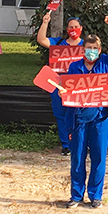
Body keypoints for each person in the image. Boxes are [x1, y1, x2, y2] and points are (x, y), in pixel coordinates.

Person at [63, 15, 108, 209]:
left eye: (94, 49)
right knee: (77, 158)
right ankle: (76, 195)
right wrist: (62, 92)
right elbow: (68, 89)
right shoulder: (74, 67)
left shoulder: (106, 62)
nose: (91, 52)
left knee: (99, 157)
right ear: (83, 50)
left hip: (101, 118)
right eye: (88, 49)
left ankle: (95, 195)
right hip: (79, 118)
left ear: (99, 50)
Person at [37, 11, 85, 155]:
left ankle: (80, 142)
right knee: (61, 114)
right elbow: (41, 40)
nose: (73, 30)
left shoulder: (86, 44)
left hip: (79, 84)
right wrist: (45, 22)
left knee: (80, 114)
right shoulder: (58, 43)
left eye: (76, 26)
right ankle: (66, 144)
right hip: (58, 84)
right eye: (70, 27)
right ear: (67, 29)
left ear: (81, 28)